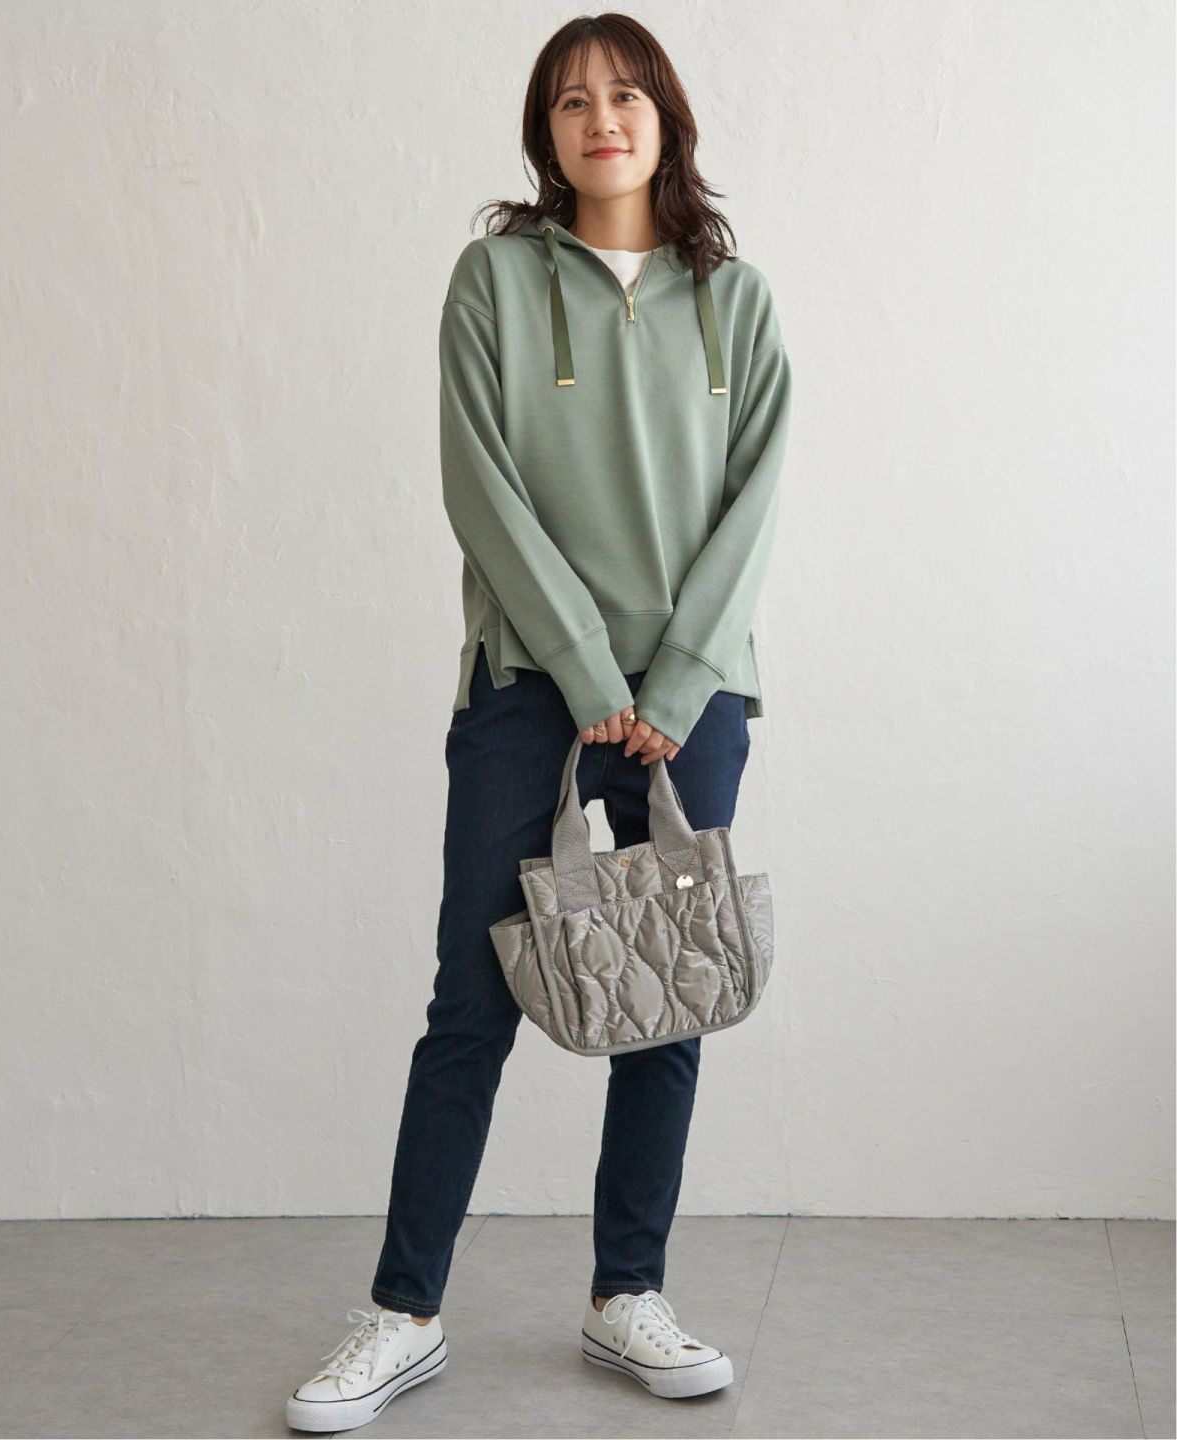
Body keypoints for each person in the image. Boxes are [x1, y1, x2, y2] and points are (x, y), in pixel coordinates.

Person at [286, 13, 791, 1431]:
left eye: (625, 95)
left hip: (694, 700)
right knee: (471, 996)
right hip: (525, 689)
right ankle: (403, 1313)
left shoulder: (737, 301)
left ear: (666, 119)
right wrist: (586, 675)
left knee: (670, 993)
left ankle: (629, 1294)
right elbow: (481, 486)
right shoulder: (496, 282)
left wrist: (672, 686)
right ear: (544, 132)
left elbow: (758, 501)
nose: (600, 119)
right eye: (571, 101)